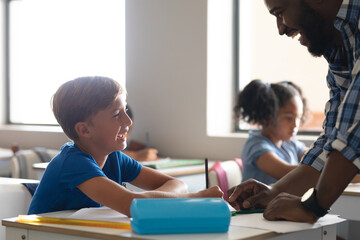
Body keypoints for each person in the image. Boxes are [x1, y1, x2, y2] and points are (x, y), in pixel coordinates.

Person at [228, 0, 360, 224]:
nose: (280, 29)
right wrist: (274, 191)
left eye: (280, 13)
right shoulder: (339, 42)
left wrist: (313, 205)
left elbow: (353, 130)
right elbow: (333, 137)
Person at [28, 76, 223, 216]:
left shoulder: (114, 157)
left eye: (125, 111)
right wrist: (196, 197)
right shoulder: (72, 163)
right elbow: (134, 205)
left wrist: (152, 199)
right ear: (84, 130)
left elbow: (178, 184)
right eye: (116, 115)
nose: (128, 121)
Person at [234, 80, 309, 185]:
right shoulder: (257, 146)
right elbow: (287, 173)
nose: (296, 124)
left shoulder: (290, 143)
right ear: (268, 116)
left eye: (298, 117)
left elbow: (311, 156)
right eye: (288, 118)